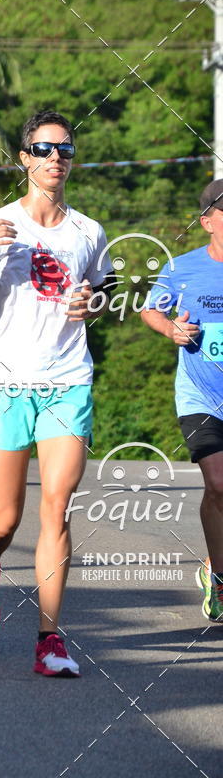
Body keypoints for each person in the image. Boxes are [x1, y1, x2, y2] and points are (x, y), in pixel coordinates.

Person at [0, 110, 112, 677]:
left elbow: (102, 290)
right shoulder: (0, 223)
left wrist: (91, 302)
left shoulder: (89, 231)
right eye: (44, 149)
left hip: (67, 379)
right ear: (24, 158)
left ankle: (49, 640)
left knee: (58, 509)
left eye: (65, 150)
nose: (55, 159)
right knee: (4, 517)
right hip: (3, 381)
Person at [141, 179, 223, 622]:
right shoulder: (183, 269)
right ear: (207, 220)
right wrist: (172, 329)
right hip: (201, 395)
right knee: (219, 484)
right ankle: (222, 583)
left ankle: (215, 564)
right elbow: (150, 309)